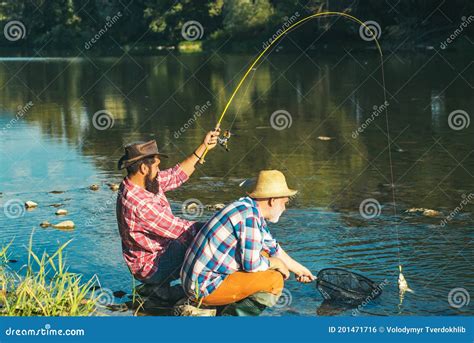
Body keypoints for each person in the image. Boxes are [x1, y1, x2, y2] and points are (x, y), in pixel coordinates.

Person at [180, 170, 315, 315]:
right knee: (274, 280)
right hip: (202, 288)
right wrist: (276, 263)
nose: (285, 208)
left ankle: (223, 307)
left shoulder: (247, 207)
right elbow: (252, 265)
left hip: (195, 281)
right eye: (284, 203)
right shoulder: (249, 217)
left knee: (264, 254)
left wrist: (300, 270)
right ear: (273, 200)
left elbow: (273, 248)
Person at [116, 130, 219, 300]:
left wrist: (203, 147)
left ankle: (159, 290)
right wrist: (220, 227)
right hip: (151, 267)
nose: (159, 170)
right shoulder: (140, 204)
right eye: (156, 166)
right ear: (143, 168)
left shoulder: (137, 182)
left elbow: (175, 175)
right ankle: (204, 293)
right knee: (205, 243)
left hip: (156, 254)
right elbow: (183, 230)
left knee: (205, 239)